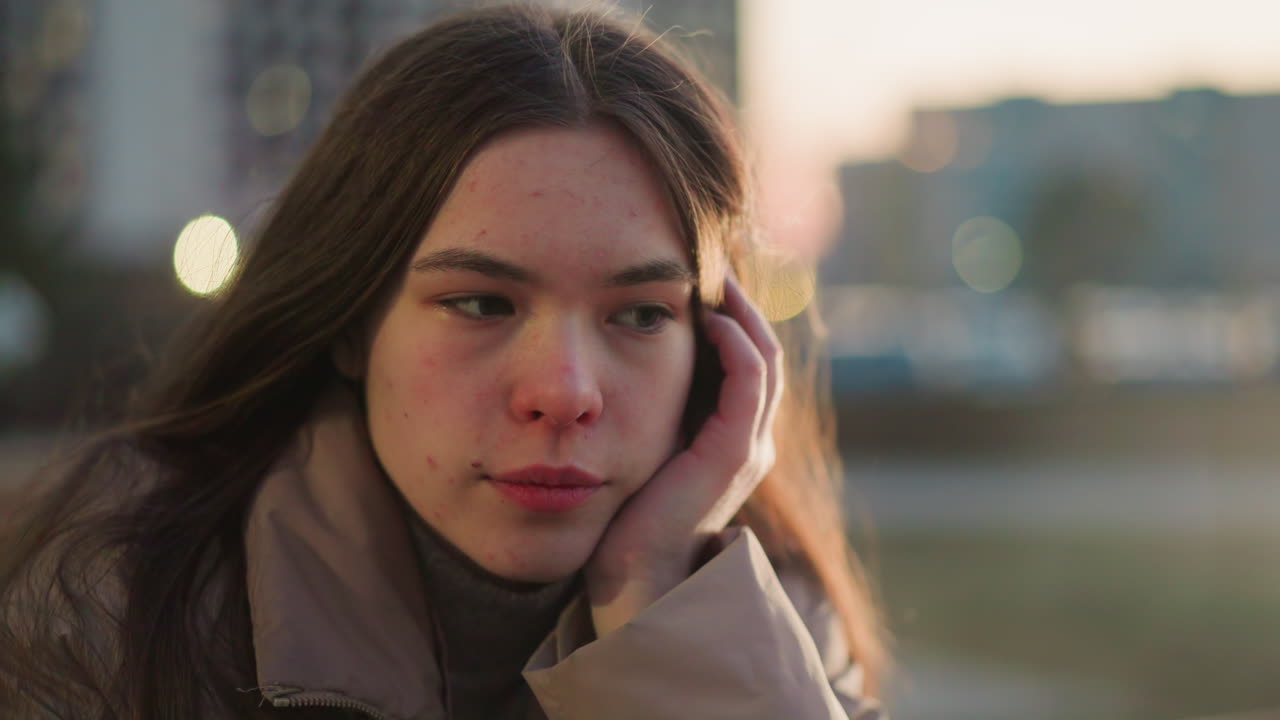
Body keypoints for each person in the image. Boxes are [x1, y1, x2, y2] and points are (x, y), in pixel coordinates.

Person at [0, 5, 887, 718]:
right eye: (480, 303)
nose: (563, 392)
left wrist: (656, 598)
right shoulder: (113, 610)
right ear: (351, 323)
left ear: (723, 352)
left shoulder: (774, 631)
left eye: (641, 314)